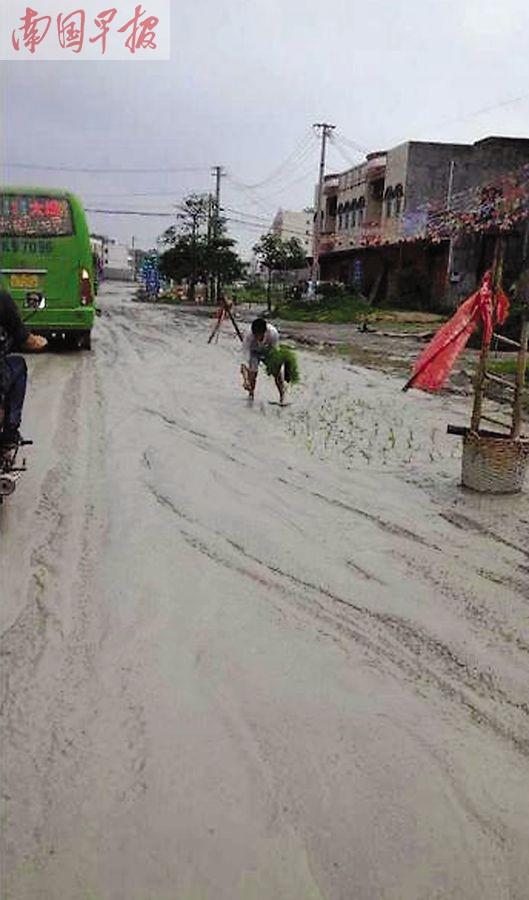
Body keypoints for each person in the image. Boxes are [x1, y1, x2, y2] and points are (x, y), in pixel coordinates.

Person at [0, 289, 47, 446]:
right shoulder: (3, 299)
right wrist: (39, 341)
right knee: (19, 365)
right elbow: (25, 338)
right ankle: (10, 431)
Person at [241, 317, 284, 404]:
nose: (257, 338)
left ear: (264, 332)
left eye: (259, 335)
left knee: (277, 373)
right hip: (254, 351)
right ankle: (251, 395)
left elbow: (275, 352)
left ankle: (282, 396)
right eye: (255, 336)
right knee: (253, 374)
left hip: (268, 350)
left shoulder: (273, 333)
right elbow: (244, 361)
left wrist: (276, 364)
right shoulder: (248, 336)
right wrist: (245, 380)